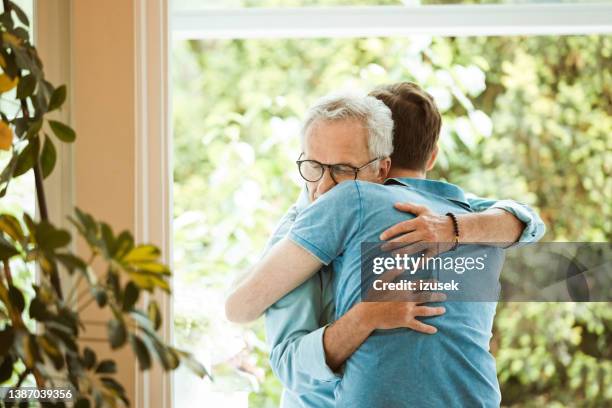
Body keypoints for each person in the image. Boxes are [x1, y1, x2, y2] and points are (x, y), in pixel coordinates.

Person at [226, 86, 545, 407]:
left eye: (342, 169)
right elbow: (282, 358)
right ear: (431, 157)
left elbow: (522, 220)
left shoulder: (453, 216)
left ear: (382, 166)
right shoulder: (312, 217)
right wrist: (365, 317)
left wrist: (453, 229)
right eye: (313, 166)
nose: (323, 187)